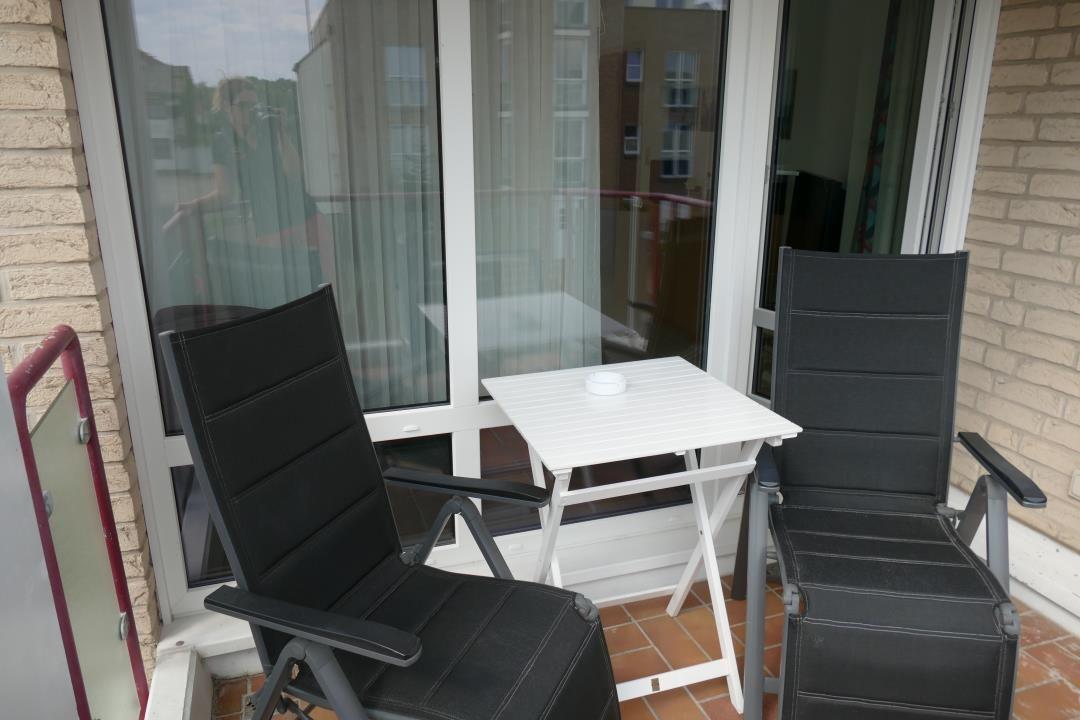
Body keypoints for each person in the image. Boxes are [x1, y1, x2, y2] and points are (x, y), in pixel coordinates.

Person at [174, 76, 333, 299]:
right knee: (285, 291)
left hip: (306, 216)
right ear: (228, 108)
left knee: (323, 285)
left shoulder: (268, 130)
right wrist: (191, 206)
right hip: (270, 226)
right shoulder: (223, 142)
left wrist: (281, 132)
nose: (250, 110)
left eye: (254, 105)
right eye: (244, 105)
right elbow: (225, 194)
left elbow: (295, 173)